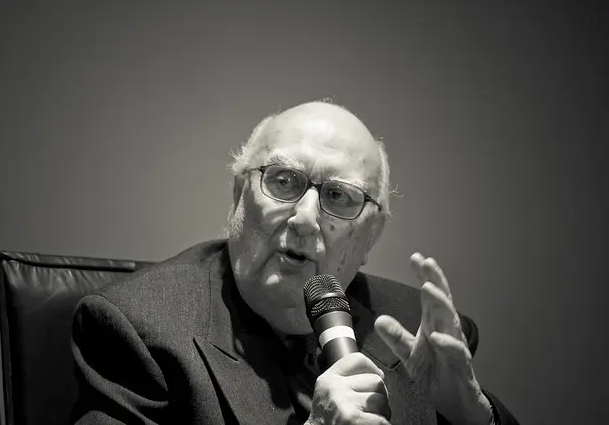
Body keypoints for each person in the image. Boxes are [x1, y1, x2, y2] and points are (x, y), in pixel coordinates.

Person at [70, 101, 519, 424]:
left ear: (371, 235)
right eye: (283, 181)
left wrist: (474, 416)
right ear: (238, 196)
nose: (305, 218)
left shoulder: (416, 328)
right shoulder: (137, 328)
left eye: (338, 195)